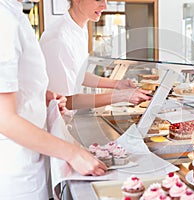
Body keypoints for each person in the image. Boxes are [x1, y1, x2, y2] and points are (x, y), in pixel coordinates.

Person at [0, 1, 107, 199]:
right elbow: (4, 119)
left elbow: (17, 84)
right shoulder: (3, 18)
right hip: (16, 169)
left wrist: (42, 94)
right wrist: (73, 153)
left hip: (30, 159)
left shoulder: (14, 14)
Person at [40, 0, 151, 110]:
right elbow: (65, 101)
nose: (105, 6)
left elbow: (78, 75)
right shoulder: (59, 38)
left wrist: (118, 84)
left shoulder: (79, 28)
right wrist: (122, 95)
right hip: (53, 123)